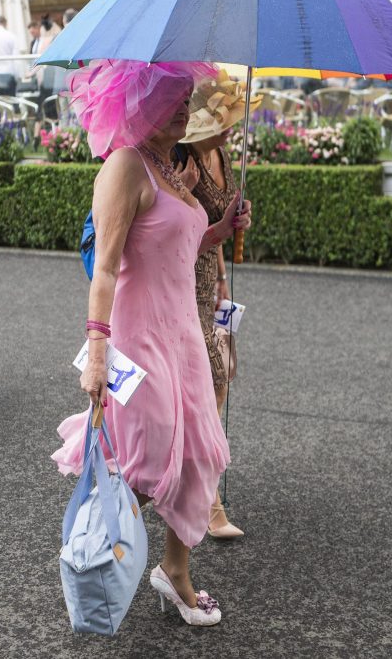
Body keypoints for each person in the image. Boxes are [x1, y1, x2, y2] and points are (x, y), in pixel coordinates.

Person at [52, 59, 252, 627]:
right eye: (172, 97)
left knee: (201, 457)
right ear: (138, 103)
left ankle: (174, 571)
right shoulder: (124, 167)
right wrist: (96, 353)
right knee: (144, 462)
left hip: (184, 336)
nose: (185, 107)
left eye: (186, 97)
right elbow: (107, 270)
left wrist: (221, 227)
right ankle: (94, 550)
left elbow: (179, 252)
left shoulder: (171, 170)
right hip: (139, 342)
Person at [177, 69, 260, 540]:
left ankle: (199, 486)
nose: (232, 128)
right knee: (206, 379)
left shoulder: (222, 156)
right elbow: (178, 237)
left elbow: (218, 229)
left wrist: (224, 275)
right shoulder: (183, 160)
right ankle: (207, 501)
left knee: (217, 379)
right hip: (179, 278)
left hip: (208, 278)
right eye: (224, 120)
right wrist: (222, 228)